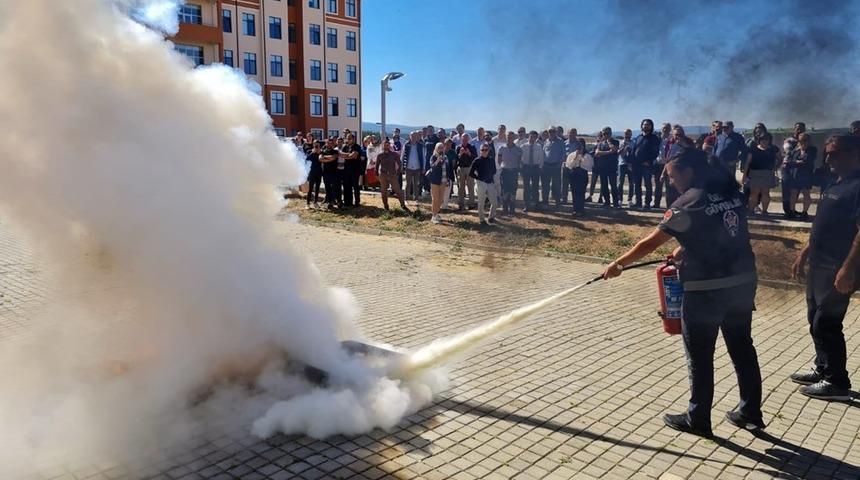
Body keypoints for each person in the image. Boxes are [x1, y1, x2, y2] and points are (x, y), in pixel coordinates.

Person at [603, 147, 763, 437]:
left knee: (700, 356)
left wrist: (618, 264)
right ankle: (750, 411)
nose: (670, 181)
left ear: (689, 172)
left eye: (672, 175)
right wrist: (686, 247)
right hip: (741, 283)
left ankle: (697, 417)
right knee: (742, 349)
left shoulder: (687, 203)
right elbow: (723, 233)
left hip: (706, 290)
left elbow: (650, 244)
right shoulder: (729, 192)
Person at [791, 135, 860, 401]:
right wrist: (804, 253)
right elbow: (823, 222)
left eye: (834, 154)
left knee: (826, 323)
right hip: (819, 264)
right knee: (814, 318)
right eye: (827, 153)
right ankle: (822, 368)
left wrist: (848, 270)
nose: (828, 158)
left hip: (839, 267)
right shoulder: (835, 182)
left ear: (855, 154)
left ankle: (837, 382)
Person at [742, 132, 779, 215]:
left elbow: (780, 158)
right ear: (759, 140)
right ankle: (751, 210)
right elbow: (748, 162)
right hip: (754, 173)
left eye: (766, 139)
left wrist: (775, 167)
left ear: (769, 140)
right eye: (762, 139)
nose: (764, 141)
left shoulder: (773, 149)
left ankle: (765, 211)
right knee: (754, 193)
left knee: (765, 193)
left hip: (767, 173)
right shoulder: (753, 149)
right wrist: (744, 175)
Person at [782, 132, 816, 220]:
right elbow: (788, 161)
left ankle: (804, 212)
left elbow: (807, 160)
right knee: (793, 194)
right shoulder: (795, 150)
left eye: (805, 140)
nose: (802, 142)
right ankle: (792, 211)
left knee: (806, 194)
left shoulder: (812, 149)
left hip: (806, 176)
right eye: (800, 141)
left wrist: (795, 162)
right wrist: (797, 162)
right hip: (795, 176)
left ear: (809, 141)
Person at [630, 119, 662, 209]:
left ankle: (647, 204)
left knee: (647, 184)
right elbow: (633, 151)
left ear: (651, 126)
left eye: (648, 124)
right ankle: (638, 202)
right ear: (641, 126)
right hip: (636, 165)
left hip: (646, 166)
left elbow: (655, 152)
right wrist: (630, 162)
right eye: (644, 124)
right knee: (637, 185)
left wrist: (649, 161)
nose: (646, 126)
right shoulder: (638, 137)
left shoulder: (654, 138)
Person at [375, 140, 410, 211]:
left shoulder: (394, 154)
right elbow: (377, 166)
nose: (386, 147)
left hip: (392, 174)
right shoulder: (380, 155)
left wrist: (398, 172)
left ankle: (403, 205)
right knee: (384, 191)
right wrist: (376, 175)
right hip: (383, 175)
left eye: (387, 145)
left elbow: (399, 163)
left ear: (389, 146)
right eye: (384, 145)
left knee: (398, 191)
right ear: (382, 146)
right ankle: (386, 206)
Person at [469, 142, 498, 225]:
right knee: (481, 202)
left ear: (488, 150)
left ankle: (491, 217)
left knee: (494, 202)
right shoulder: (477, 160)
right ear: (480, 151)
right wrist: (479, 178)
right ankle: (482, 220)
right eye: (482, 150)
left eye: (486, 150)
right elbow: (471, 173)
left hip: (490, 182)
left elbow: (494, 171)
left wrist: (489, 176)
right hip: (481, 183)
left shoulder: (491, 159)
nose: (484, 151)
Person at [426, 142, 453, 224]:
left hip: (444, 181)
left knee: (441, 200)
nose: (441, 149)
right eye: (439, 148)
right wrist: (437, 161)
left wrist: (448, 179)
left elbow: (448, 169)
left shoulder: (446, 157)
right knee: (435, 199)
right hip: (435, 181)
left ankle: (436, 213)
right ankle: (434, 216)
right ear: (436, 149)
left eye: (442, 147)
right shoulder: (433, 157)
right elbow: (432, 167)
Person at [594, 127, 620, 208]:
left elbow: (614, 149)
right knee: (604, 185)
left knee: (613, 186)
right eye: (603, 133)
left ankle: (615, 203)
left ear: (610, 133)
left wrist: (609, 142)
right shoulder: (600, 143)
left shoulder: (615, 142)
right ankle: (607, 202)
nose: (605, 135)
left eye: (607, 133)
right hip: (603, 167)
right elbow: (597, 153)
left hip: (612, 167)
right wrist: (608, 152)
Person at [497, 131, 522, 214]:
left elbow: (519, 161)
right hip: (505, 172)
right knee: (505, 190)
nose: (510, 139)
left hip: (514, 172)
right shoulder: (501, 148)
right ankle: (505, 207)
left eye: (511, 137)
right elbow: (499, 160)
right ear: (506, 138)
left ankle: (512, 208)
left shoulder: (518, 149)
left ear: (514, 138)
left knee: (513, 190)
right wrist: (502, 167)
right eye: (508, 137)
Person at [564, 139, 590, 215]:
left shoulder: (587, 155)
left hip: (582, 175)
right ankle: (575, 209)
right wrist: (575, 157)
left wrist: (582, 157)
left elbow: (589, 167)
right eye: (578, 145)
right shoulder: (571, 155)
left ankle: (581, 209)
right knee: (574, 193)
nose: (579, 147)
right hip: (574, 175)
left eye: (581, 145)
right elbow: (568, 165)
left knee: (581, 193)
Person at [521, 130, 544, 213]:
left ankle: (536, 205)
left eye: (534, 137)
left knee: (535, 187)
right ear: (528, 136)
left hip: (535, 168)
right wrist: (522, 167)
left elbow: (541, 158)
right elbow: (520, 158)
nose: (532, 138)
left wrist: (540, 168)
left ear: (536, 138)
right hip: (526, 168)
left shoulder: (539, 146)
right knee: (526, 187)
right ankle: (526, 205)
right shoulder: (523, 146)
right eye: (531, 136)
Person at [542, 127, 565, 207]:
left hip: (556, 166)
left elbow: (563, 153)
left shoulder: (560, 141)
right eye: (549, 131)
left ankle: (557, 201)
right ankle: (545, 201)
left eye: (553, 131)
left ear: (556, 132)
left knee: (556, 185)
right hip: (546, 166)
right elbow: (543, 152)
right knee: (545, 185)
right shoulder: (546, 141)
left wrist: (560, 163)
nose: (551, 133)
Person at [401, 132, 426, 203]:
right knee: (408, 184)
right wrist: (401, 166)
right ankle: (406, 199)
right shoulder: (406, 145)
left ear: (417, 137)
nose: (414, 137)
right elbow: (402, 156)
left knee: (416, 184)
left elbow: (424, 157)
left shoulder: (421, 146)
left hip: (417, 168)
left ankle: (416, 199)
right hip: (408, 168)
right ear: (410, 136)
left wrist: (423, 167)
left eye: (415, 136)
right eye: (412, 136)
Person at [455, 134, 477, 210]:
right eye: (463, 139)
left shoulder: (472, 147)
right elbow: (456, 159)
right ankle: (461, 204)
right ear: (461, 139)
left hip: (469, 168)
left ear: (468, 139)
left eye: (466, 139)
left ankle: (471, 204)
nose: (464, 140)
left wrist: (469, 153)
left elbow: (475, 158)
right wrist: (460, 154)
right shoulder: (458, 147)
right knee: (461, 187)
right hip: (460, 168)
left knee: (471, 186)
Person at [319, 137, 342, 210]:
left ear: (333, 144)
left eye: (331, 143)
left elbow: (334, 157)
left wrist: (325, 158)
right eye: (328, 143)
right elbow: (320, 159)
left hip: (334, 173)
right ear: (326, 143)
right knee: (328, 188)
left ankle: (339, 202)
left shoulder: (335, 151)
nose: (329, 144)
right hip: (325, 173)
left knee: (335, 188)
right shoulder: (323, 151)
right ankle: (330, 202)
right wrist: (328, 159)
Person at [339, 133, 361, 208]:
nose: (348, 140)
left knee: (355, 186)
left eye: (349, 138)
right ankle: (348, 202)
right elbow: (340, 154)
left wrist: (347, 156)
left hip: (355, 170)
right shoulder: (345, 146)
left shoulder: (357, 146)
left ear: (353, 139)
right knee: (346, 186)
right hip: (346, 169)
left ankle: (357, 202)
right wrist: (349, 155)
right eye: (347, 138)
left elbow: (353, 155)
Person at [617, 129, 634, 205]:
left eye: (628, 133)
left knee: (631, 183)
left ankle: (630, 200)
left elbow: (635, 153)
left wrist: (630, 150)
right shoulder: (620, 143)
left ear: (631, 134)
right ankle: (619, 199)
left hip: (630, 164)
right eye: (625, 133)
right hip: (622, 164)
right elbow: (618, 153)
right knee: (620, 182)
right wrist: (623, 147)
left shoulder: (634, 143)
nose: (627, 135)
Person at [305, 140, 323, 209]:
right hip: (312, 172)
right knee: (310, 188)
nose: (316, 146)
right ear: (313, 144)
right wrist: (313, 152)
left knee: (317, 188)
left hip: (319, 172)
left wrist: (319, 153)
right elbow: (307, 159)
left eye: (318, 145)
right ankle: (308, 203)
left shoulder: (321, 152)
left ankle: (315, 202)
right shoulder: (309, 151)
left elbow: (322, 159)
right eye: (315, 144)